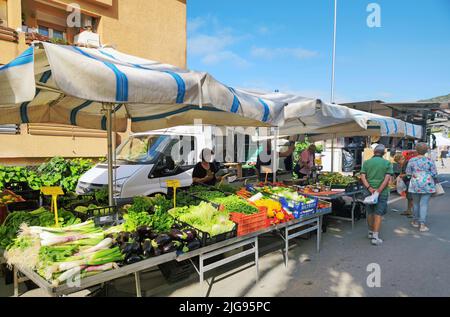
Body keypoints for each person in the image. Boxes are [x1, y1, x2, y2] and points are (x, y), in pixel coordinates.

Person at [360, 144, 394, 246]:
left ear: (374, 152)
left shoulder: (366, 163)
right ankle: (375, 237)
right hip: (382, 192)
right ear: (384, 153)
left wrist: (369, 188)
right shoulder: (387, 163)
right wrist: (378, 190)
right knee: (378, 213)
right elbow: (387, 179)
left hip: (368, 192)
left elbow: (362, 176)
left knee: (370, 212)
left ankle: (370, 232)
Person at [406, 143, 438, 232]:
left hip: (415, 183)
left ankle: (415, 221)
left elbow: (408, 173)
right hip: (427, 183)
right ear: (426, 151)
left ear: (416, 150)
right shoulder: (430, 160)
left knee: (415, 203)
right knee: (424, 204)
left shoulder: (412, 160)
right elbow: (434, 173)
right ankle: (422, 225)